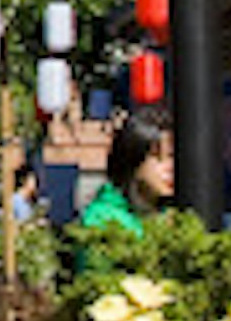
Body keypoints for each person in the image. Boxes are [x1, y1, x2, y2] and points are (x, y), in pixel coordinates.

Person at [65, 112, 164, 284]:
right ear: (133, 157)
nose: (170, 168)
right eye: (159, 158)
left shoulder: (172, 212)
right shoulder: (102, 219)